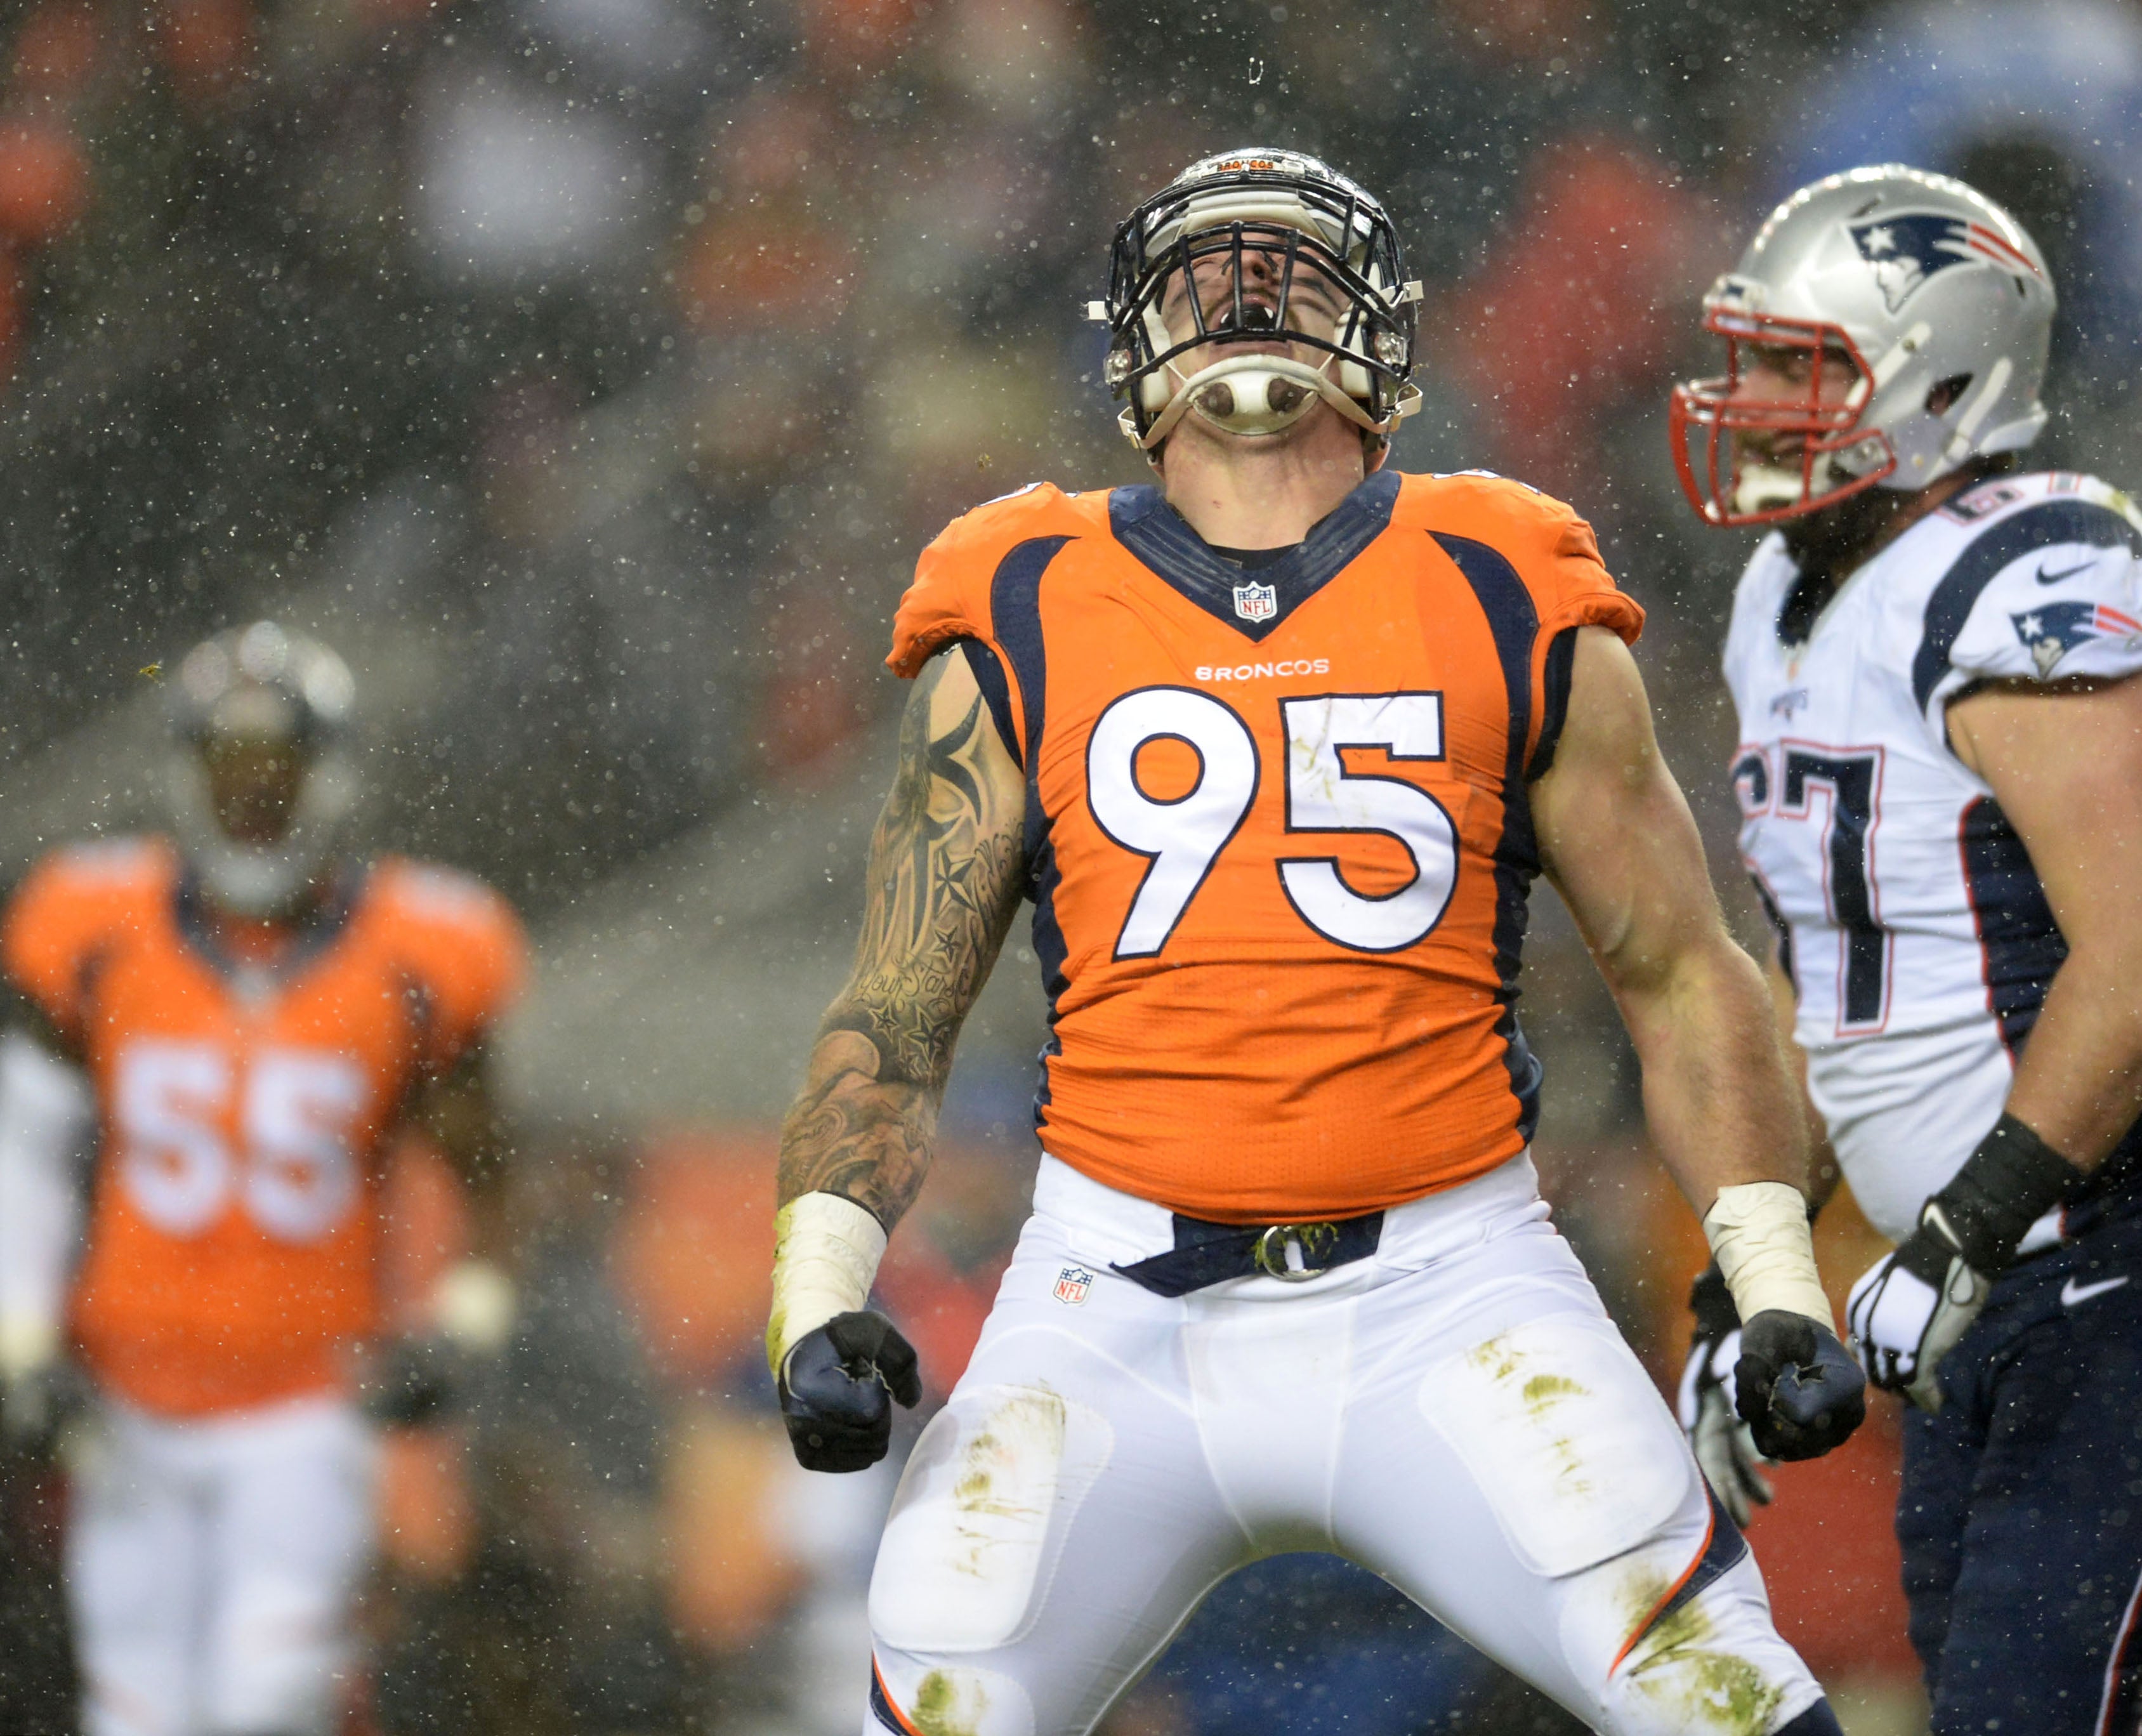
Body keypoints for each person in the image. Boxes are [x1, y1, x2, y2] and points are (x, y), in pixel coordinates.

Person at [763, 146, 1869, 1736]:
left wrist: (1773, 1282)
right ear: (1133, 346)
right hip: (1111, 1300)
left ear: (1388, 336)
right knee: (939, 1703)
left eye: (1292, 265)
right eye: (1208, 272)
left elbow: (1682, 969)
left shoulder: (1506, 572)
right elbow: (897, 1007)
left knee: (1730, 1707)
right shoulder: (1019, 591)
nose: (1249, 298)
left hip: (1453, 1280)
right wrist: (819, 1289)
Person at [1665, 165, 2142, 1735]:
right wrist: (1750, 1291)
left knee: (2037, 1709)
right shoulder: (1782, 593)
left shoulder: (2034, 576)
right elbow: (1822, 993)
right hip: (1973, 1285)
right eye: (1753, 358)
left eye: (1800, 366)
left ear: (1943, 380)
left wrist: (1963, 1230)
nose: (1755, 401)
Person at [0, 622, 527, 1736]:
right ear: (184, 775)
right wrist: (21, 1337)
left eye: (275, 769)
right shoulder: (91, 927)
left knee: (267, 1700)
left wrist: (466, 1322)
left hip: (307, 1397)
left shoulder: (421, 951)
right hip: (126, 1401)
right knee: (137, 1714)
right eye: (229, 768)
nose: (253, 798)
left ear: (327, 774)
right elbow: (26, 1148)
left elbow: (485, 1172)